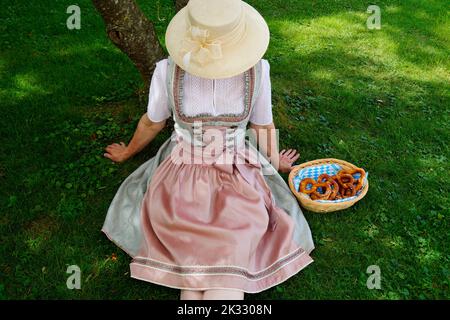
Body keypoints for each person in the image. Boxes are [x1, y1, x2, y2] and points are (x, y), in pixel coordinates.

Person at [102, 0, 314, 300]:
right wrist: (273, 160)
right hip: (237, 176)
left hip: (180, 177)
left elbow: (152, 122)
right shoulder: (258, 70)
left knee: (194, 271)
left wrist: (128, 152)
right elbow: (262, 127)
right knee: (230, 257)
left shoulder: (167, 70)